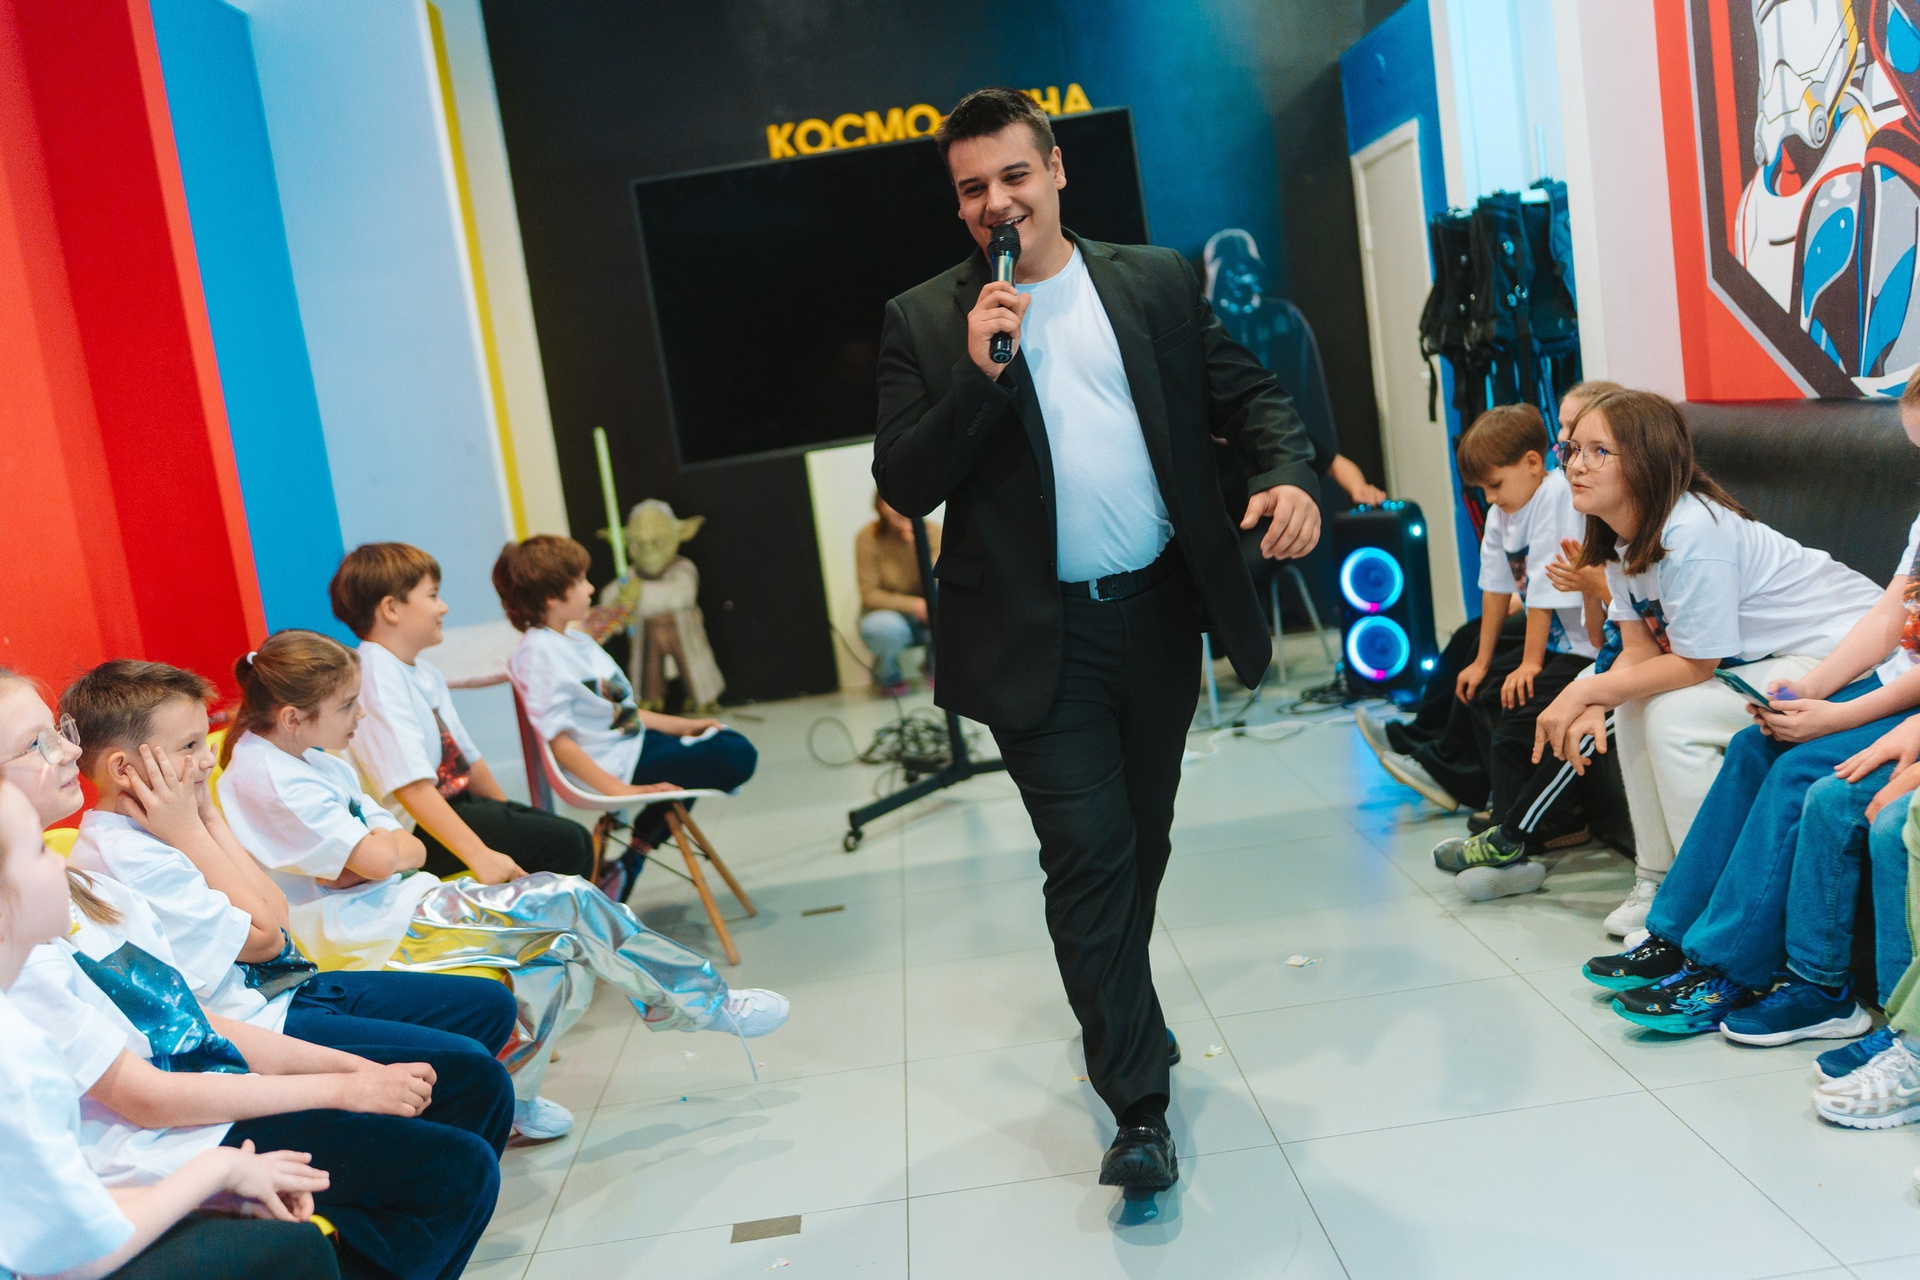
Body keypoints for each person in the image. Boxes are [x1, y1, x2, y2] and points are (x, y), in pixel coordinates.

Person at [872, 87, 1321, 1191]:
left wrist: (1287, 472)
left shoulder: (1153, 280)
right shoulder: (926, 319)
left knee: (1139, 842)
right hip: (1036, 640)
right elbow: (906, 480)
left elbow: (1250, 396)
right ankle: (1138, 1105)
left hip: (1158, 616)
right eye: (972, 188)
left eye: (1013, 176)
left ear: (1057, 170)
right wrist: (979, 375)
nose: (996, 202)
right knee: (1089, 856)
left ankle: (1123, 1014)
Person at [213, 629, 787, 1131]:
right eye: (346, 706)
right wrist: (380, 852)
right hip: (365, 932)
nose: (359, 716)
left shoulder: (316, 758)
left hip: (398, 902)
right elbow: (383, 855)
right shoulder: (266, 775)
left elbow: (399, 847)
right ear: (293, 716)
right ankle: (705, 1002)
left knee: (551, 961)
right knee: (568, 899)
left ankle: (516, 1099)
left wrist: (378, 854)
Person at [36, 661, 523, 1145]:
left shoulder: (171, 825)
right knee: (476, 1078)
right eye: (189, 746)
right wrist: (192, 830)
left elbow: (277, 916)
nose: (206, 759)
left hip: (291, 991)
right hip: (265, 1023)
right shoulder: (129, 855)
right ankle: (422, 1146)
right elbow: (268, 940)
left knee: (489, 1006)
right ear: (124, 769)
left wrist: (207, 819)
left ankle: (421, 1135)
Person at [1584, 371, 1920, 1035]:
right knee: (1751, 745)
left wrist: (1838, 715)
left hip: (1897, 701)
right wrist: (1814, 689)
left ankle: (1729, 967)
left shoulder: (1696, 529)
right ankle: (1680, 933)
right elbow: (1890, 616)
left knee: (1799, 773)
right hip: (1887, 682)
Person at [1534, 389, 1882, 936]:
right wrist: (1600, 693)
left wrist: (1584, 691)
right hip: (1778, 657)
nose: (1576, 465)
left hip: (1846, 655)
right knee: (1633, 704)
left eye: (1598, 451)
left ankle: (1707, 901)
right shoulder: (1623, 535)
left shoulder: (1693, 531)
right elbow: (1640, 651)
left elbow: (1697, 666)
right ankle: (1659, 880)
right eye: (1573, 449)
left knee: (1675, 716)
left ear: (1647, 461)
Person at [0, 780, 340, 1280]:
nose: (58, 860)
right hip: (152, 1150)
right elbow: (69, 1257)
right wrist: (218, 1170)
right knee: (298, 1250)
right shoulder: (17, 1051)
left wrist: (214, 1188)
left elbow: (51, 1215)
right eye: (38, 851)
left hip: (201, 1086)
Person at [328, 542, 595, 883]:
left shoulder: (424, 672)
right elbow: (410, 789)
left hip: (452, 806)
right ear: (391, 608)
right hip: (408, 827)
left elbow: (470, 761)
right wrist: (480, 855)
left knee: (572, 838)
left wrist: (512, 815)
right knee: (565, 844)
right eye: (432, 596)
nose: (444, 607)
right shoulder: (375, 672)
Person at [493, 534, 758, 870]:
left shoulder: (572, 641)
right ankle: (634, 856)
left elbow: (623, 713)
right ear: (550, 596)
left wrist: (685, 726)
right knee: (737, 753)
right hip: (617, 764)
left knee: (719, 743)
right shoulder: (539, 652)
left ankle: (631, 859)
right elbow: (558, 742)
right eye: (580, 581)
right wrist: (618, 790)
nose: (590, 588)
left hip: (632, 747)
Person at [1425, 403, 1602, 899]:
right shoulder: (1505, 511)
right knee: (1483, 689)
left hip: (1583, 649)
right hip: (1564, 643)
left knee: (1511, 723)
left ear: (1531, 463)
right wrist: (1482, 662)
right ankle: (1507, 810)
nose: (1490, 498)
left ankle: (1521, 835)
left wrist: (1529, 664)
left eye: (1495, 485)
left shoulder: (1554, 496)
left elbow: (1541, 590)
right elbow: (1495, 587)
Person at [857, 493, 941, 695]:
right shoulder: (868, 537)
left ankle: (936, 668)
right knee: (883, 628)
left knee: (955, 613)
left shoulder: (933, 532)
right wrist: (913, 605)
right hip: (889, 614)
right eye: (891, 502)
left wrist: (918, 549)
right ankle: (889, 676)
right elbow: (869, 594)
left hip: (929, 611)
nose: (899, 508)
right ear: (880, 506)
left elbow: (941, 582)